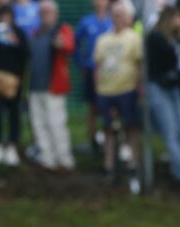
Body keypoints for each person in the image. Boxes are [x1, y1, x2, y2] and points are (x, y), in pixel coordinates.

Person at [94, 0, 143, 194]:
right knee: (108, 129)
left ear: (127, 17)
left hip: (127, 90)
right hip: (106, 92)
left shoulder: (134, 38)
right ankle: (109, 167)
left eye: (121, 15)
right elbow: (97, 66)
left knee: (131, 129)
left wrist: (139, 87)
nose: (117, 18)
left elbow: (139, 65)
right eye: (115, 15)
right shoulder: (102, 39)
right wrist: (98, 88)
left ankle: (133, 166)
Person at [148, 6, 180, 189]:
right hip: (159, 87)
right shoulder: (156, 38)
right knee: (171, 131)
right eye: (178, 18)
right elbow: (167, 61)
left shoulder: (175, 38)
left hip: (173, 87)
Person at [28, 0, 75, 172]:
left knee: (56, 124)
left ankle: (64, 160)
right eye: (42, 12)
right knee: (39, 124)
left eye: (48, 12)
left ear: (55, 14)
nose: (45, 15)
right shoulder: (36, 32)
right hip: (35, 86)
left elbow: (69, 46)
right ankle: (47, 159)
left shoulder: (62, 29)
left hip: (54, 87)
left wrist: (61, 44)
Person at [0, 4, 27, 168]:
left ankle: (12, 146)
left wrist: (14, 41)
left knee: (13, 114)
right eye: (2, 16)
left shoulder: (18, 33)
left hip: (14, 80)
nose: (5, 19)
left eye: (8, 16)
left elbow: (25, 53)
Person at [75, 0, 113, 155]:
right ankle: (94, 141)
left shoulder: (113, 20)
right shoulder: (86, 22)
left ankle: (111, 139)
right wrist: (81, 63)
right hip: (92, 69)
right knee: (92, 107)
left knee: (111, 107)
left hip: (111, 72)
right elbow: (76, 43)